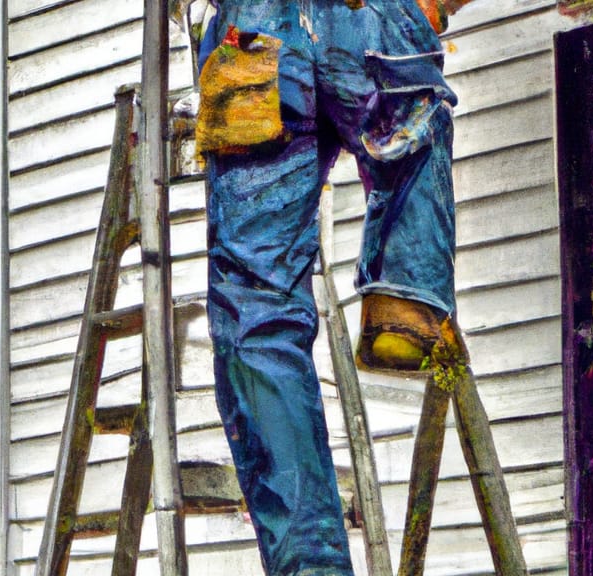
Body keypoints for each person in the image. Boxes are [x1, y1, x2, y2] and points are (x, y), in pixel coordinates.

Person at [194, 0, 472, 573]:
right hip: (375, 22)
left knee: (258, 312)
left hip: (255, 41)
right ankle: (405, 292)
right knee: (407, 142)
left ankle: (312, 565)